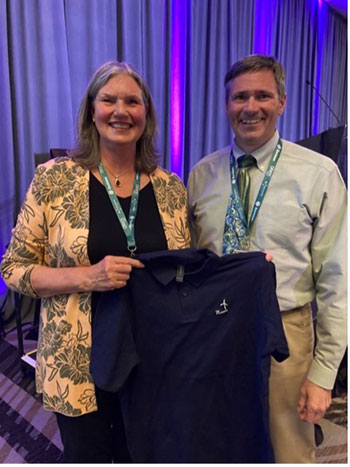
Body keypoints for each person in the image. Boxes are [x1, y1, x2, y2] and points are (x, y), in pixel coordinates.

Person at [1, 61, 190, 463]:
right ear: (92, 110)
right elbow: (13, 268)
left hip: (152, 358)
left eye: (133, 102)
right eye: (109, 100)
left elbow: (184, 270)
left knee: (143, 453)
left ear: (147, 115)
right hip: (78, 363)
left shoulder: (171, 188)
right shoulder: (53, 179)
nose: (121, 111)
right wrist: (89, 275)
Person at [187, 54, 347, 463]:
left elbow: (338, 279)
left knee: (288, 450)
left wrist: (323, 374)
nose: (250, 107)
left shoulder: (319, 173)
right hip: (215, 332)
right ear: (226, 105)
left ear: (282, 102)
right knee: (220, 441)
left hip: (285, 335)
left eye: (262, 95)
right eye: (240, 97)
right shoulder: (202, 175)